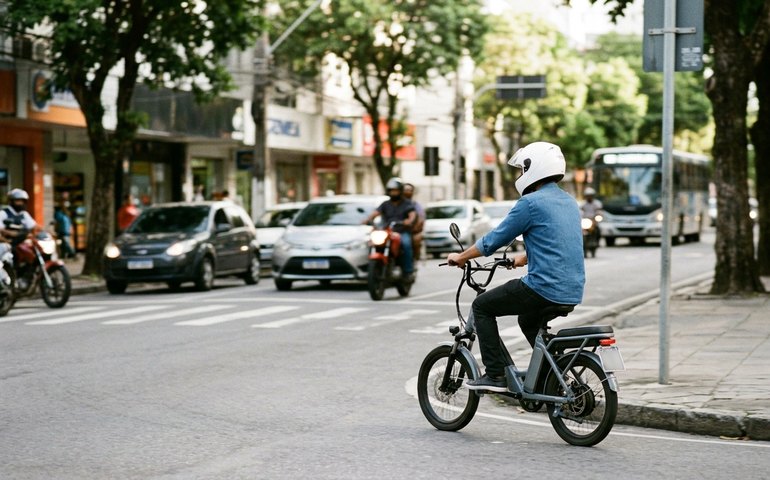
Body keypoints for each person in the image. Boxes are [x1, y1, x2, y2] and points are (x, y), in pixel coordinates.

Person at [446, 142, 585, 392]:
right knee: (528, 321)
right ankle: (546, 375)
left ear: (534, 168)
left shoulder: (530, 203)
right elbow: (559, 242)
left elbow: (494, 240)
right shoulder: (569, 202)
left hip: (543, 288)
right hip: (572, 289)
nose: (520, 176)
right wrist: (524, 259)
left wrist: (462, 256)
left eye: (522, 170)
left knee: (482, 307)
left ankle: (496, 374)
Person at [363, 177, 418, 281]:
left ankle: (408, 271)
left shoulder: (407, 203)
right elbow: (375, 213)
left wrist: (409, 221)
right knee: (373, 243)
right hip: (387, 231)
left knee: (406, 244)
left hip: (402, 231)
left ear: (400, 191)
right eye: (391, 191)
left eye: (396, 190)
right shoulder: (385, 204)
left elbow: (412, 215)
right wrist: (366, 220)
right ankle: (373, 267)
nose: (394, 193)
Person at [403, 183, 425, 261]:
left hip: (410, 230)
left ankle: (410, 264)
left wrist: (415, 228)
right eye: (405, 190)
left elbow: (421, 218)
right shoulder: (394, 203)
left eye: (409, 190)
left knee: (408, 243)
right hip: (395, 230)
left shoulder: (415, 205)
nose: (407, 192)